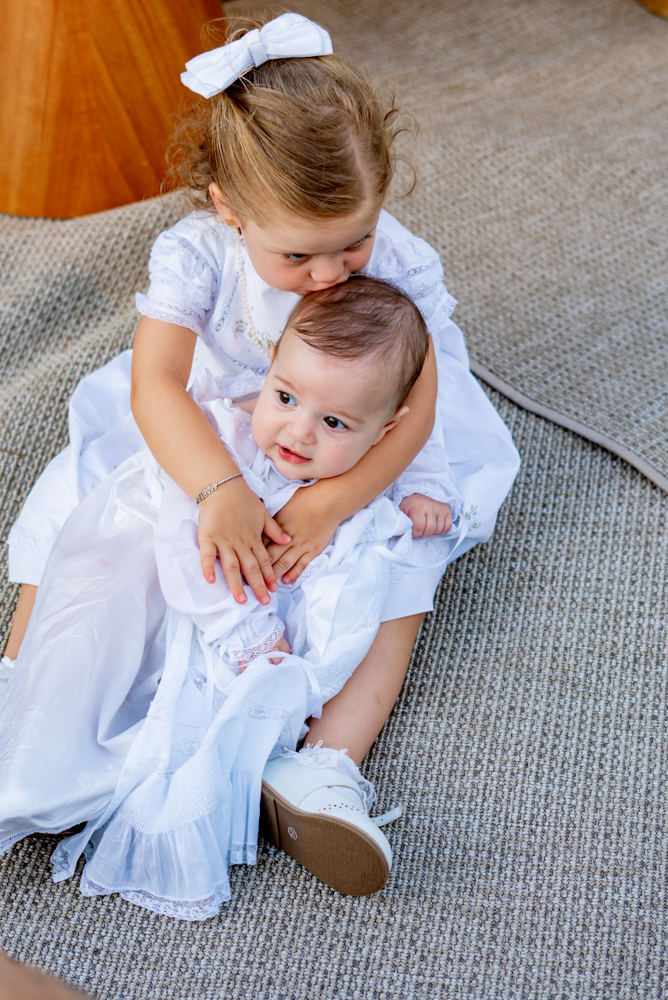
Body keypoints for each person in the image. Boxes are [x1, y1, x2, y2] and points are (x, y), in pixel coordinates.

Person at [2, 12, 519, 896]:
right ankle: (22, 688)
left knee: (405, 565)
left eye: (351, 243)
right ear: (228, 210)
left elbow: (425, 393)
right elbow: (157, 385)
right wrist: (219, 489)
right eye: (299, 255)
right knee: (77, 505)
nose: (333, 274)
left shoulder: (392, 259)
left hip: (353, 439)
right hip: (213, 424)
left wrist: (336, 500)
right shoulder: (197, 256)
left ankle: (325, 764)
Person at [2, 278, 459, 916]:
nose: (298, 432)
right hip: (223, 617)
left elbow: (419, 448)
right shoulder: (228, 436)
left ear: (384, 431)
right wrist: (247, 635)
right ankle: (44, 715)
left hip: (293, 612)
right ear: (268, 371)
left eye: (332, 422)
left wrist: (420, 496)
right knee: (157, 668)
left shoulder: (383, 431)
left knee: (403, 570)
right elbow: (183, 547)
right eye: (285, 397)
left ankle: (315, 765)